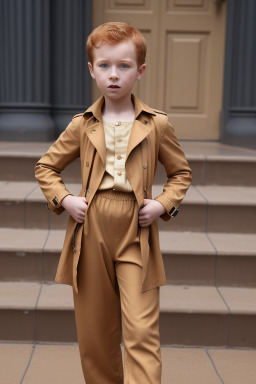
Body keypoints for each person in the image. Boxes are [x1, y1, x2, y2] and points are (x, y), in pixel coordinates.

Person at [35, 22, 192, 384]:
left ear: (140, 71)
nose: (114, 75)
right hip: (90, 228)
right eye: (104, 65)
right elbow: (46, 166)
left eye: (124, 66)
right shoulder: (82, 125)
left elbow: (180, 174)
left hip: (136, 230)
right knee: (95, 332)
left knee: (141, 330)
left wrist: (163, 205)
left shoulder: (157, 125)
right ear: (91, 70)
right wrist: (65, 198)